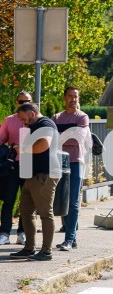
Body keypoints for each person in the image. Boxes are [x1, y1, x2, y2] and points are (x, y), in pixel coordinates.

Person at [9, 103, 59, 261]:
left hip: (45, 174)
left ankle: (46, 251)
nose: (23, 122)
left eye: (24, 118)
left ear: (31, 113)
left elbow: (44, 144)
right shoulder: (34, 126)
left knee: (45, 213)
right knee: (25, 211)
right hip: (32, 175)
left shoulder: (45, 123)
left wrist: (22, 148)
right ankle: (29, 248)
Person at [52, 86, 92, 251]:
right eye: (70, 96)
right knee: (61, 199)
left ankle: (69, 239)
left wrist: (61, 138)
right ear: (64, 98)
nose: (73, 99)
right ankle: (72, 238)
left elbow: (78, 140)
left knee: (73, 202)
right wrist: (68, 135)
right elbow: (51, 139)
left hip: (75, 162)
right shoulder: (56, 117)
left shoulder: (82, 117)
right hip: (58, 161)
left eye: (76, 96)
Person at [0, 91, 32, 246]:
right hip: (12, 164)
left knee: (26, 202)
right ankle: (4, 233)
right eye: (21, 101)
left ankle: (22, 233)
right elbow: (0, 140)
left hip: (30, 164)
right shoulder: (9, 120)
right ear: (16, 102)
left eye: (28, 101)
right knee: (9, 199)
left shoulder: (35, 121)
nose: (24, 104)